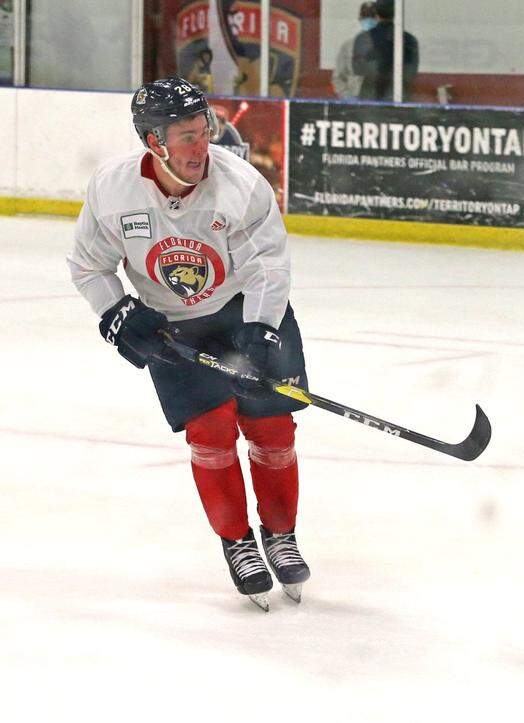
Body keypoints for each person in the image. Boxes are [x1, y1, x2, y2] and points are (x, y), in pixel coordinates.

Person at [66, 77, 311, 612]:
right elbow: (89, 265)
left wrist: (263, 327)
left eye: (205, 133)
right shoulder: (113, 190)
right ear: (154, 142)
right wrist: (114, 310)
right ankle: (238, 542)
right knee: (211, 433)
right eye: (186, 137)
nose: (202, 148)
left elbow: (269, 265)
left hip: (246, 311)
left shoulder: (241, 186)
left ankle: (280, 533)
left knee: (272, 428)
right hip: (173, 326)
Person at [353, 0, 419, 102]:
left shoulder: (364, 38)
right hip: (399, 96)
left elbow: (358, 69)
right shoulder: (409, 40)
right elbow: (411, 72)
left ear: (376, 13)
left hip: (370, 97)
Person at [332, 2, 377, 99]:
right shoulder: (348, 46)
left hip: (380, 100)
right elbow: (338, 77)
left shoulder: (390, 46)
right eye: (365, 16)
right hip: (355, 98)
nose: (369, 20)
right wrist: (346, 95)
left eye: (372, 16)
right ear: (360, 19)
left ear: (378, 19)